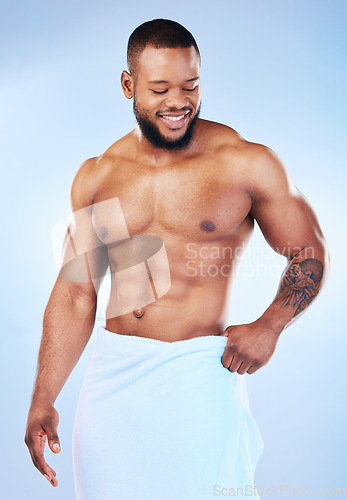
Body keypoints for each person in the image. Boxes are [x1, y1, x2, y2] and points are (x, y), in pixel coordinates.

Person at [25, 18, 329, 499]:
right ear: (128, 85)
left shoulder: (243, 162)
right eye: (160, 88)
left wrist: (270, 324)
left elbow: (309, 252)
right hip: (112, 380)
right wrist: (43, 396)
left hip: (199, 374)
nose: (178, 102)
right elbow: (77, 292)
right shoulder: (99, 175)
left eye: (190, 86)